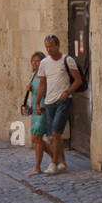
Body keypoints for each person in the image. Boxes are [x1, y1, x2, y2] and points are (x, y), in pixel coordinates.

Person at [36, 34, 82, 175]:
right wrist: (38, 103)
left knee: (56, 132)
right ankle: (63, 163)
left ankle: (53, 164)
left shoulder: (67, 60)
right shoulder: (44, 63)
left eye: (51, 46)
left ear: (57, 46)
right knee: (54, 136)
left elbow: (78, 80)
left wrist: (67, 92)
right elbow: (42, 84)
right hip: (49, 102)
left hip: (63, 100)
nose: (48, 49)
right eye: (46, 47)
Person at [22, 51, 52, 176]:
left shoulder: (45, 76)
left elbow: (49, 91)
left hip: (42, 108)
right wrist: (29, 88)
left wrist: (44, 105)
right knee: (35, 138)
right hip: (35, 109)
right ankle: (57, 158)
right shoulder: (35, 75)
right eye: (33, 61)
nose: (34, 63)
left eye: (37, 61)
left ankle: (37, 167)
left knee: (37, 137)